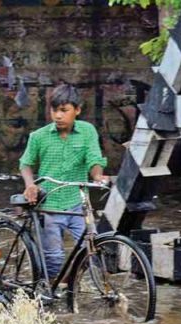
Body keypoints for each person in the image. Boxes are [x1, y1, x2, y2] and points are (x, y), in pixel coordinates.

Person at [20, 83, 108, 280]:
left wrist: (97, 176)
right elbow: (25, 164)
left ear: (77, 110)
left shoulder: (87, 131)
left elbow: (94, 158)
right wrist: (30, 184)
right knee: (54, 258)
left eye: (64, 110)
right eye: (54, 110)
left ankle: (73, 286)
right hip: (48, 205)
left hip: (78, 203)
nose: (58, 116)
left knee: (94, 248)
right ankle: (47, 293)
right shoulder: (39, 136)